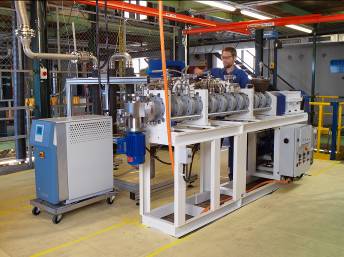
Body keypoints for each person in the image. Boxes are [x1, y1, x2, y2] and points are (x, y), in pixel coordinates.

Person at [211, 47, 250, 181]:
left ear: (234, 58)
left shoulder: (241, 75)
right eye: (223, 57)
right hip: (219, 115)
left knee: (235, 147)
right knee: (215, 144)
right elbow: (202, 74)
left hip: (235, 117)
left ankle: (233, 175)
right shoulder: (217, 72)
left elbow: (248, 92)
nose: (224, 60)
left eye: (227, 57)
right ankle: (212, 176)